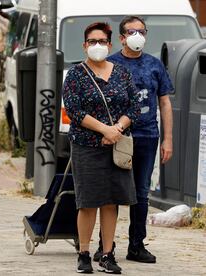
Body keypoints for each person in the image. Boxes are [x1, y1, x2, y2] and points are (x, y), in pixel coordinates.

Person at [92, 15, 174, 264]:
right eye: (131, 31)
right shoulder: (110, 63)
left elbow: (165, 102)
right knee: (113, 192)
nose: (137, 35)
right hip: (117, 136)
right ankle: (105, 246)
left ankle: (136, 245)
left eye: (141, 31)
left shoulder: (154, 65)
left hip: (147, 136)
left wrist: (167, 139)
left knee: (141, 193)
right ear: (121, 37)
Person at [62, 22, 139, 274]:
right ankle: (84, 253)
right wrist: (103, 130)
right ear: (84, 46)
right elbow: (74, 111)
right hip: (87, 145)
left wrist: (116, 129)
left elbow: (133, 108)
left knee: (111, 202)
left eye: (102, 41)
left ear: (111, 44)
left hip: (116, 146)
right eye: (92, 41)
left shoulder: (122, 73)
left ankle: (107, 253)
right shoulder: (75, 75)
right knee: (88, 202)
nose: (98, 46)